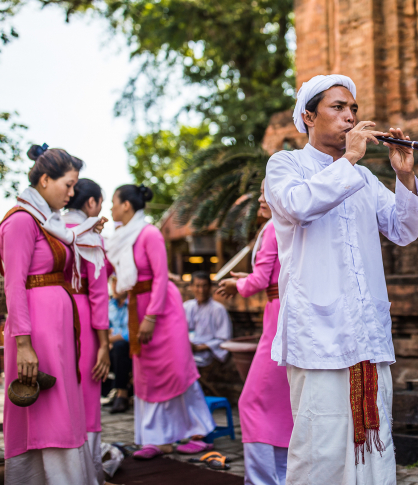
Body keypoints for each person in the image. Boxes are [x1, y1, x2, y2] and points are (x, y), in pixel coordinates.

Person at [264, 75, 418, 485]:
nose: (350, 116)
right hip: (318, 333)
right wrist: (350, 159)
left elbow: (404, 230)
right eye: (338, 107)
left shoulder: (366, 179)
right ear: (308, 116)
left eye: (353, 108)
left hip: (367, 333)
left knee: (376, 442)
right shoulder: (286, 165)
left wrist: (405, 176)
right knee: (320, 448)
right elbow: (299, 206)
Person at [0, 144, 107, 485]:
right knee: (46, 409)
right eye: (68, 185)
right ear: (45, 180)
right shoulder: (21, 222)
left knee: (62, 406)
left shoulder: (50, 224)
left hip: (57, 332)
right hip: (35, 333)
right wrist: (23, 343)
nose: (72, 193)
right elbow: (14, 285)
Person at [106, 184, 215, 460]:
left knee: (176, 369)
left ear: (126, 205)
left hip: (163, 310)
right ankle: (156, 438)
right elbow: (104, 268)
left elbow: (161, 277)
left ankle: (197, 432)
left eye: (114, 202)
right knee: (147, 375)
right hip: (137, 307)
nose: (110, 208)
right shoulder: (119, 239)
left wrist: (151, 316)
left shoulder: (149, 234)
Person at [217, 180, 293, 485]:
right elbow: (268, 276)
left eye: (267, 192)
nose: (261, 198)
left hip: (279, 319)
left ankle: (262, 480)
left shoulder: (274, 227)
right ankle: (281, 476)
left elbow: (260, 281)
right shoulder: (283, 226)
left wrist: (238, 284)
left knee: (251, 403)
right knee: (281, 405)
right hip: (282, 315)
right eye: (261, 192)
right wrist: (246, 279)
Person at [63, 178, 111, 485]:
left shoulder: (51, 228)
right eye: (100, 203)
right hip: (83, 317)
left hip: (53, 313)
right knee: (89, 394)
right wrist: (104, 344)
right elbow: (99, 292)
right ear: (91, 203)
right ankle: (88, 472)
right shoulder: (89, 235)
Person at [184, 271, 232, 367]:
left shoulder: (218, 310)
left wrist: (199, 348)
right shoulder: (186, 307)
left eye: (204, 286)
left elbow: (224, 339)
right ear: (191, 286)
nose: (201, 290)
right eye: (197, 286)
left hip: (207, 354)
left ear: (210, 287)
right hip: (185, 351)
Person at [106, 275, 133, 414]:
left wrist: (110, 339)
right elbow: (105, 327)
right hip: (113, 346)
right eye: (112, 284)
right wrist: (108, 340)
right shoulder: (110, 305)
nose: (114, 288)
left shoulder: (133, 303)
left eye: (117, 284)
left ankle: (122, 394)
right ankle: (114, 391)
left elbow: (130, 333)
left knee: (120, 347)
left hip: (131, 347)